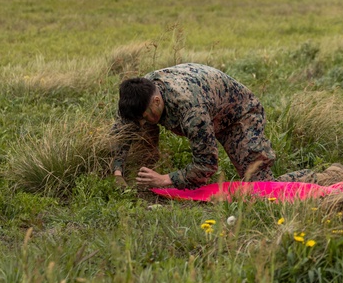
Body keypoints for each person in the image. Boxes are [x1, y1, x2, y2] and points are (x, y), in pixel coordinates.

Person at [112, 62, 297, 189]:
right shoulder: (139, 94)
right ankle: (140, 177)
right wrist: (117, 172)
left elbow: (206, 164)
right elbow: (123, 129)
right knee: (139, 127)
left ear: (156, 101)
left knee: (261, 186)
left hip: (238, 115)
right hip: (209, 102)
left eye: (145, 117)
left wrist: (165, 179)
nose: (142, 123)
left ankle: (313, 178)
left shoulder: (191, 110)